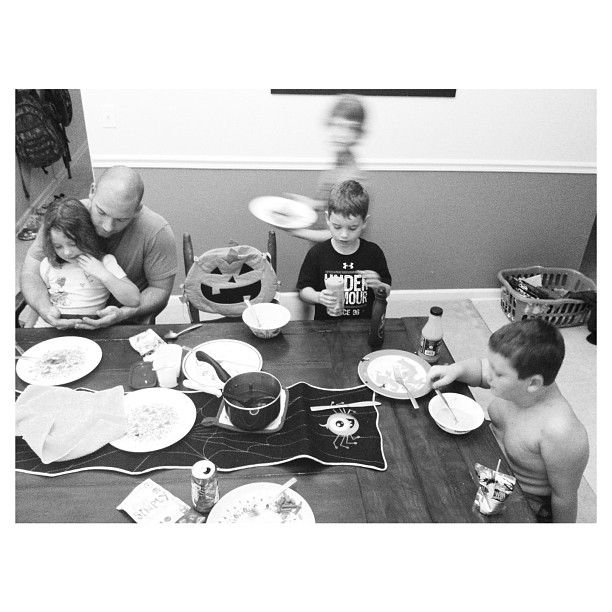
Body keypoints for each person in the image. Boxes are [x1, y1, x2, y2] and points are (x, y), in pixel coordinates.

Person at [426, 318, 589, 523]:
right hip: (485, 461)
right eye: (491, 366)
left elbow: (564, 498)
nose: (488, 374)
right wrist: (455, 370)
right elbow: (481, 369)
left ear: (533, 383)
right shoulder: (516, 383)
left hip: (520, 499)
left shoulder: (561, 431)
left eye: (498, 373)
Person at [20, 165, 177, 329]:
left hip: (125, 325)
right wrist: (44, 309)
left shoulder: (157, 231)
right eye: (101, 212)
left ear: (137, 210)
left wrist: (123, 313)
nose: (108, 227)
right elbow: (31, 269)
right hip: (56, 322)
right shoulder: (63, 220)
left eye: (121, 219)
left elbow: (160, 290)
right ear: (92, 191)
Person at [25, 197, 140, 327]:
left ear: (87, 236)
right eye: (58, 246)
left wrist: (103, 274)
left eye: (73, 243)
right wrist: (28, 330)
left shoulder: (104, 262)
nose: (67, 252)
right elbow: (39, 302)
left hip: (86, 331)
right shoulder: (49, 264)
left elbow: (134, 299)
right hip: (49, 329)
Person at [296, 179, 391, 320]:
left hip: (363, 328)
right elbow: (304, 290)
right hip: (325, 328)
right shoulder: (317, 254)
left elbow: (387, 289)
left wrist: (378, 286)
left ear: (364, 222)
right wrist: (317, 296)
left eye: (352, 228)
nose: (344, 234)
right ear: (328, 218)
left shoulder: (373, 253)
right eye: (337, 226)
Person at [285, 94, 367, 244]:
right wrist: (311, 203)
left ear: (359, 134)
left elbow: (343, 233)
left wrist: (297, 231)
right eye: (336, 125)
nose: (340, 134)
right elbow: (334, 204)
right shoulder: (338, 166)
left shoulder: (352, 178)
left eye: (349, 128)